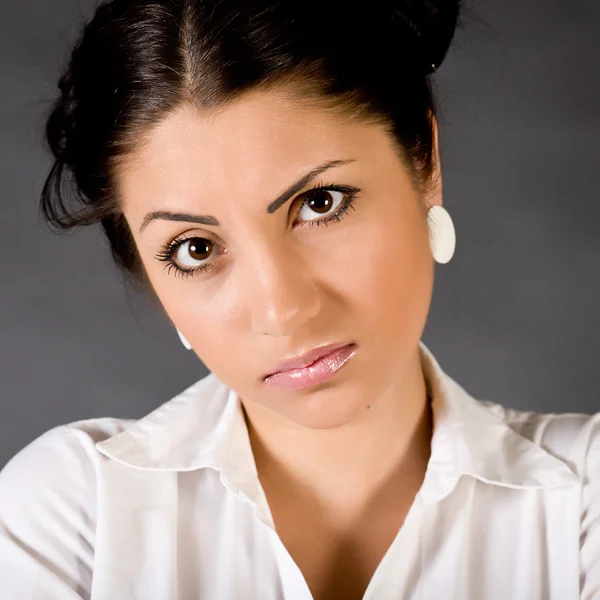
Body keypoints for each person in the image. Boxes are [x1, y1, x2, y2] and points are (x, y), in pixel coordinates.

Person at [0, 0, 598, 598]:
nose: (281, 308)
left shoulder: (582, 501)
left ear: (424, 160)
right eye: (196, 250)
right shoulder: (71, 516)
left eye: (319, 203)